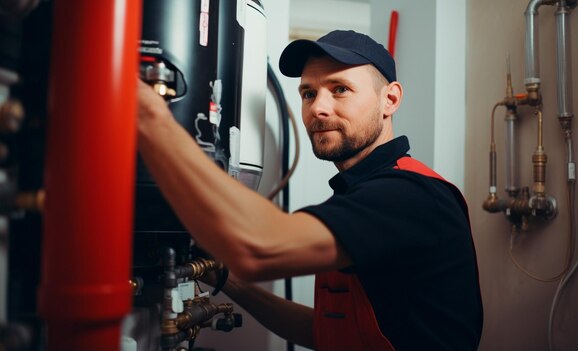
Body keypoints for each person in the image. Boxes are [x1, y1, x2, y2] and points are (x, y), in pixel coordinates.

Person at [136, 29, 483, 351]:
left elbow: (259, 249)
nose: (318, 107)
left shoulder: (410, 194)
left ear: (389, 99)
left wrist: (152, 118)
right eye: (308, 92)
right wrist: (226, 280)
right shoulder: (358, 196)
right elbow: (325, 331)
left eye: (340, 89)